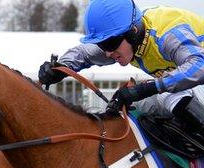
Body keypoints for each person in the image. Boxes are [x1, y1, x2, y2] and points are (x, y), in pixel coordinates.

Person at [38, 0, 204, 133]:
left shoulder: (167, 35)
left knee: (165, 94)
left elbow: (200, 65)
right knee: (136, 106)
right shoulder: (124, 37)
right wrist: (60, 67)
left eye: (109, 44)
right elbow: (84, 53)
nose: (108, 53)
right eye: (102, 45)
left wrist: (152, 87)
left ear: (133, 31)